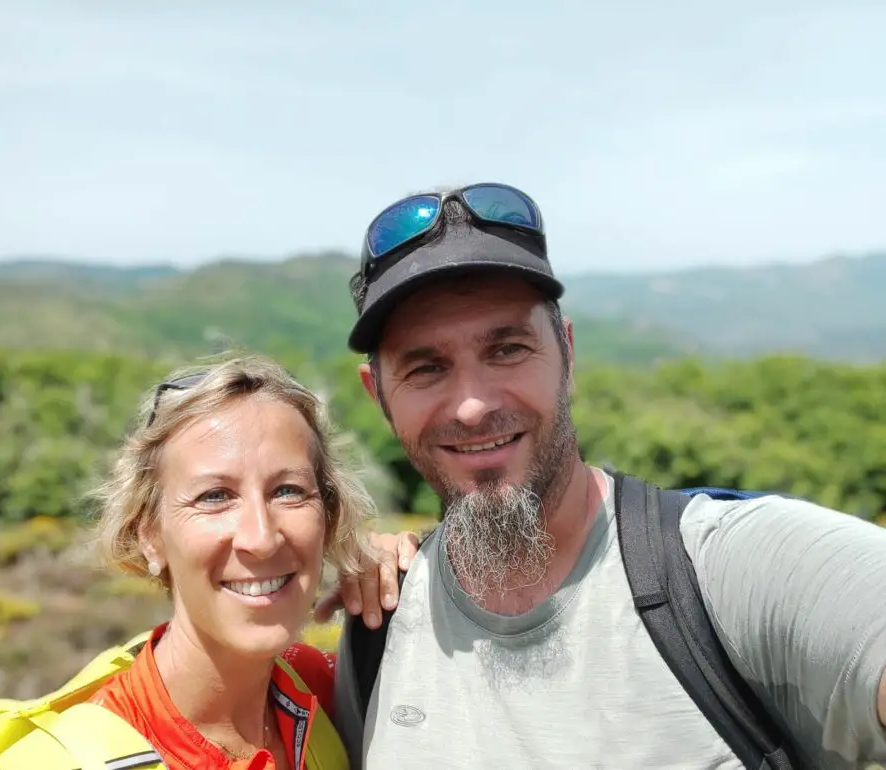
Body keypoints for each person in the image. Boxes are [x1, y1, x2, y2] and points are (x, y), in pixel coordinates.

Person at [325, 182, 886, 769]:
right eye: (426, 367)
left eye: (508, 350)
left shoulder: (727, 569)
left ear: (567, 355)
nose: (472, 405)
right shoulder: (379, 630)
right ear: (379, 396)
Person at [0, 354, 416, 770]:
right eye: (214, 496)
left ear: (328, 517)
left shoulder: (326, 688)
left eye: (288, 491)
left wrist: (414, 575)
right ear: (148, 533)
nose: (261, 539)